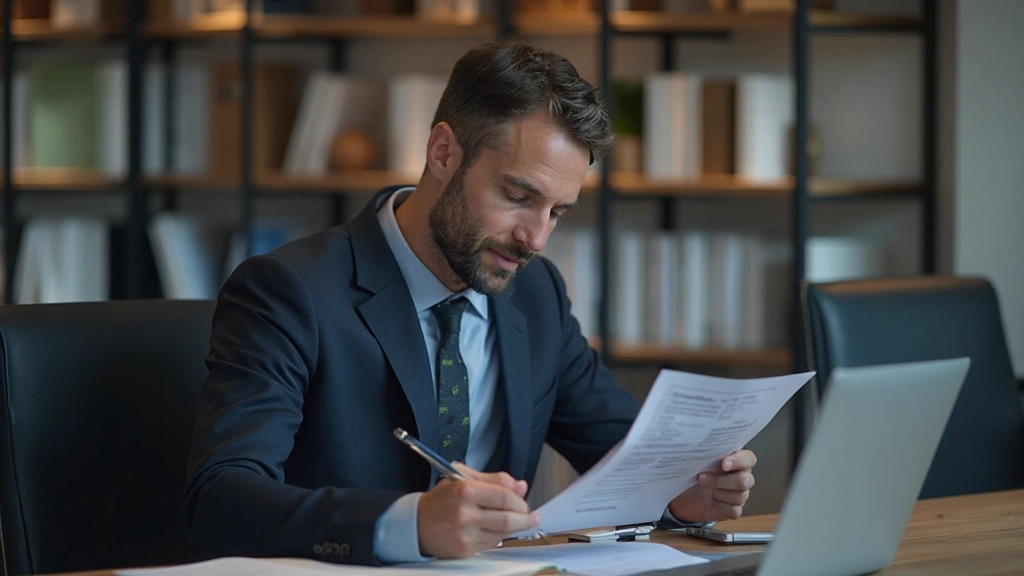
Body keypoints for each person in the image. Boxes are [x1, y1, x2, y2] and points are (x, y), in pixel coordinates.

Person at [182, 39, 757, 567]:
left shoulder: (537, 294)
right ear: (442, 152)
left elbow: (629, 458)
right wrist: (409, 524)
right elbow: (219, 499)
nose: (536, 239)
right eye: (518, 196)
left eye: (557, 213)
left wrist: (681, 492)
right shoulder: (290, 291)